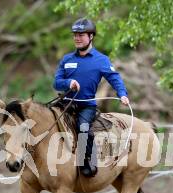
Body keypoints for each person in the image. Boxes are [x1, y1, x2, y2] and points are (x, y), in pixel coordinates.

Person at [53, 18, 129, 177]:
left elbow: (114, 78)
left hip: (86, 106)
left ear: (91, 36)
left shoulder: (101, 60)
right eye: (75, 34)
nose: (77, 38)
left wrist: (122, 94)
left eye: (81, 34)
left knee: (83, 128)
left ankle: (86, 159)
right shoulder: (67, 59)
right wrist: (69, 82)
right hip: (65, 104)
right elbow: (56, 83)